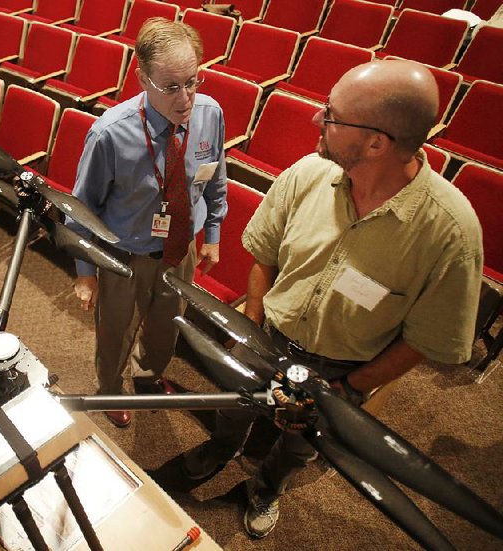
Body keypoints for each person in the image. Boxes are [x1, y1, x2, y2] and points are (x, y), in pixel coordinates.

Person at [181, 59, 483, 538]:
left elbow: (430, 338)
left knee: (299, 445)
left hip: (340, 369)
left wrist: (354, 387)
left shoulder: (450, 233)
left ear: (376, 142)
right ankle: (220, 449)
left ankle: (267, 487)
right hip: (267, 333)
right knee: (234, 403)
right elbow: (265, 254)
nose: (316, 120)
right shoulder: (307, 174)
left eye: (332, 114)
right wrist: (253, 322)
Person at [67, 18, 228, 428]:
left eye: (193, 81)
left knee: (166, 323)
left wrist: (212, 234)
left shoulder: (210, 115)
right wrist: (85, 272)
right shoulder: (109, 134)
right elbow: (82, 207)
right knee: (114, 331)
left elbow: (216, 174)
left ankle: (149, 374)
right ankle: (108, 390)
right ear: (142, 78)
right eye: (171, 86)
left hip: (179, 248)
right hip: (123, 253)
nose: (186, 97)